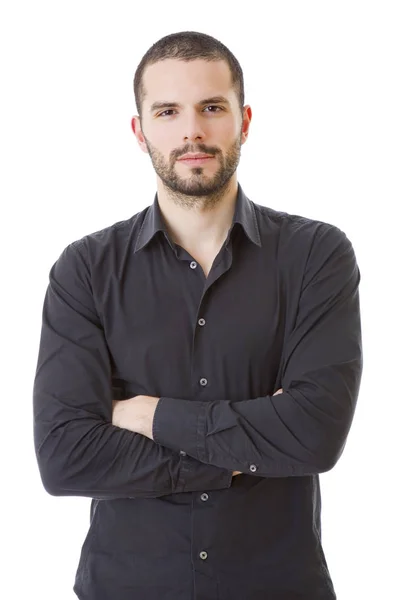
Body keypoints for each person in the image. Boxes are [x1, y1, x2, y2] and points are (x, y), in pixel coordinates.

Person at [33, 30, 363, 600]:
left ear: (245, 120)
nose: (192, 131)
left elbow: (314, 434)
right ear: (139, 132)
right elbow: (66, 456)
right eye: (168, 111)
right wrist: (236, 454)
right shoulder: (85, 269)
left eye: (212, 107)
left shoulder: (316, 255)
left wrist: (145, 414)